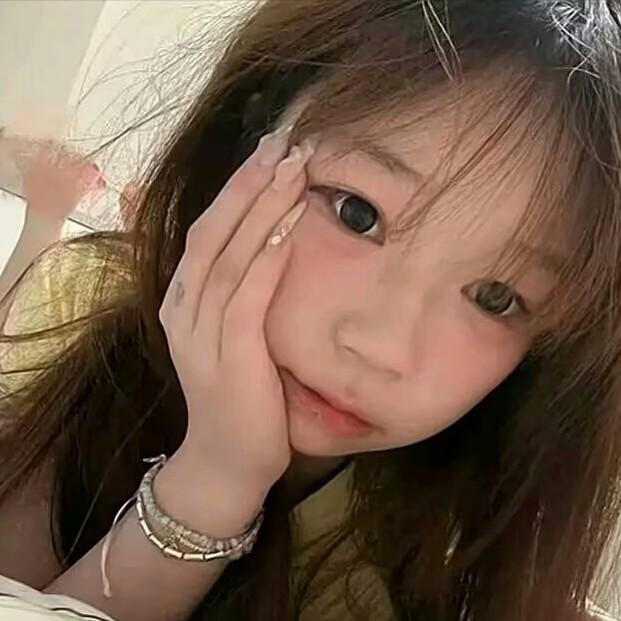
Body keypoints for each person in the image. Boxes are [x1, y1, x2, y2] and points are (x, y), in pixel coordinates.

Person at [1, 1, 621, 619]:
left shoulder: (456, 569)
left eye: (494, 297)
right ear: (249, 137)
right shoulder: (85, 304)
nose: (381, 346)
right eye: (357, 213)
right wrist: (215, 478)